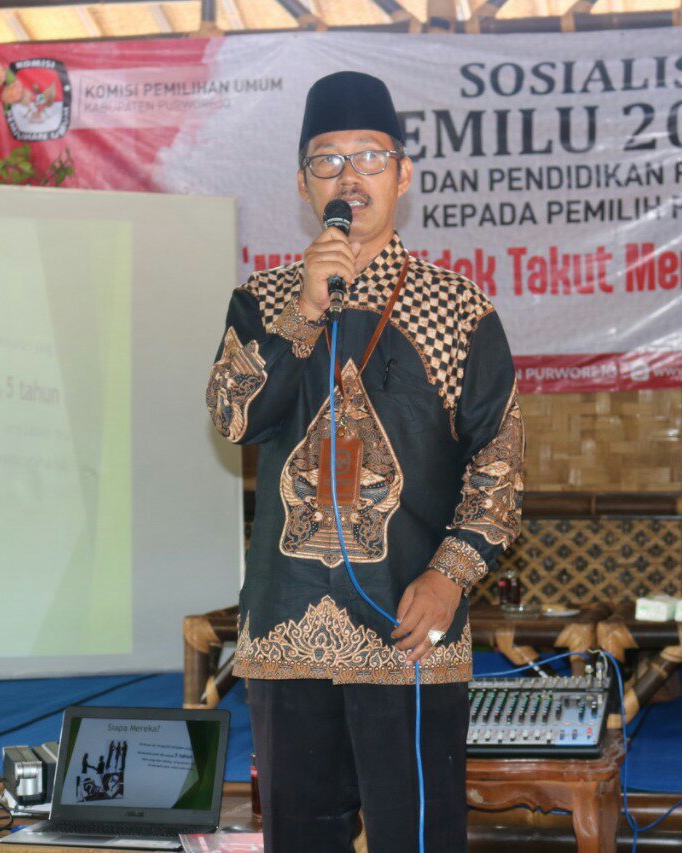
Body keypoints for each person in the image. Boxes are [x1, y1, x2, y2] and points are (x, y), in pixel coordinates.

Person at [206, 71, 523, 853]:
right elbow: (233, 417)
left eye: (370, 157)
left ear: (402, 174)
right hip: (287, 631)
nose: (349, 176)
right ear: (303, 184)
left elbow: (500, 467)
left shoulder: (459, 309)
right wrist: (305, 311)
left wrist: (450, 575)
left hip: (408, 630)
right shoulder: (264, 300)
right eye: (327, 160)